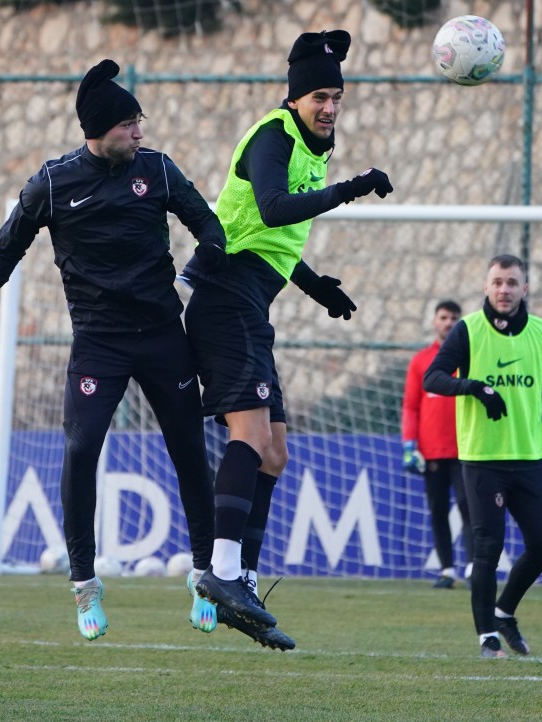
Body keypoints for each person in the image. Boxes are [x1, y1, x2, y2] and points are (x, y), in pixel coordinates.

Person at [0, 59, 224, 642]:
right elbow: (4, 251)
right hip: (99, 343)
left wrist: (195, 278)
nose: (140, 134)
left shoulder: (159, 171)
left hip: (164, 337)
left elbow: (211, 228)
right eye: (129, 125)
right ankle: (84, 584)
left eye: (140, 123)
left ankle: (204, 576)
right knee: (80, 449)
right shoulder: (52, 182)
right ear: (99, 129)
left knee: (190, 453)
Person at [180, 30, 393, 651]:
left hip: (253, 300)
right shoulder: (274, 135)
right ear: (296, 98)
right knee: (250, 437)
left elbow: (267, 238)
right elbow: (272, 209)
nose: (330, 107)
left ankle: (240, 581)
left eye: (337, 97)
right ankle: (219, 575)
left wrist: (314, 285)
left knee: (274, 454)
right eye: (320, 97)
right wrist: (352, 188)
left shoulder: (314, 144)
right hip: (223, 301)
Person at [423, 253, 542, 659]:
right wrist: (476, 388)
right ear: (486, 287)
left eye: (512, 282)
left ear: (525, 289)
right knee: (487, 547)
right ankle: (487, 637)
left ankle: (504, 611)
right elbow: (432, 378)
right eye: (497, 282)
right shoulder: (467, 331)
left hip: (528, 457)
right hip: (481, 459)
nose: (504, 289)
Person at [402, 299, 474, 589]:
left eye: (454, 318)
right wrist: (409, 443)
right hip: (431, 452)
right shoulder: (421, 360)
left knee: (470, 509)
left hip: (465, 449)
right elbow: (411, 406)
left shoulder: (469, 358)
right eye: (444, 317)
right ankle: (447, 570)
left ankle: (472, 568)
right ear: (435, 321)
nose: (448, 322)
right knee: (438, 510)